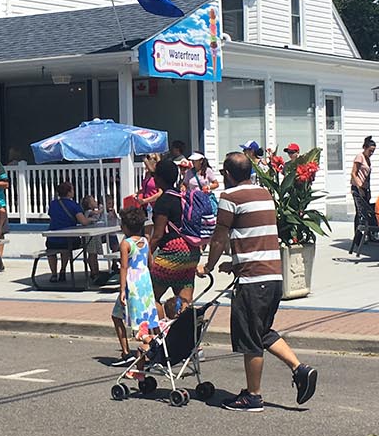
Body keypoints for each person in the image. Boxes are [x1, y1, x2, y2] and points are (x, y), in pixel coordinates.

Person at [202, 152, 319, 412]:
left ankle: (253, 396)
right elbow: (256, 234)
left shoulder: (229, 198)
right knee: (262, 331)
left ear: (227, 174)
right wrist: (235, 263)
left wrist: (207, 266)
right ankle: (300, 369)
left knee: (250, 338)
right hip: (273, 275)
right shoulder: (264, 194)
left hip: (253, 280)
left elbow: (219, 238)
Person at [111, 204, 162, 372]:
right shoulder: (145, 241)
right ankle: (153, 348)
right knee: (146, 316)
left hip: (132, 283)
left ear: (124, 226)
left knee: (119, 316)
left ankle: (127, 353)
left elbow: (124, 267)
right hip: (144, 283)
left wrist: (122, 289)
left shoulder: (125, 244)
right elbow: (150, 263)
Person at [149, 158, 201, 318]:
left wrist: (146, 254)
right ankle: (187, 337)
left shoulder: (163, 201)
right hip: (191, 252)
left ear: (159, 178)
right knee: (185, 302)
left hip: (172, 253)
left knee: (150, 298)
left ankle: (159, 335)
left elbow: (157, 235)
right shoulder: (182, 196)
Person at [44, 181, 89, 283]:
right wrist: (91, 219)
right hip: (69, 239)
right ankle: (63, 270)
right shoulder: (74, 205)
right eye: (72, 190)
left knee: (51, 251)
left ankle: (54, 274)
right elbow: (83, 221)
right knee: (66, 248)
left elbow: (52, 216)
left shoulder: (53, 204)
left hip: (52, 239)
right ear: (69, 192)